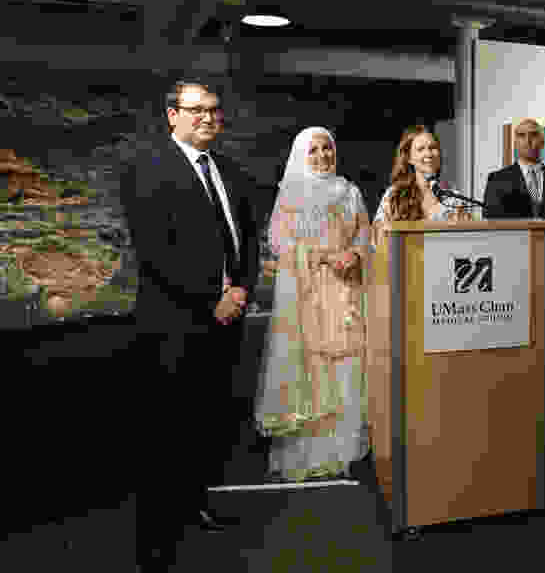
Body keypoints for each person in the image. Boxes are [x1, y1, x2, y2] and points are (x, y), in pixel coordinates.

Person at [122, 79, 260, 570]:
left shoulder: (231, 171)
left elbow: (248, 239)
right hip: (174, 327)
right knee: (166, 436)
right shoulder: (146, 169)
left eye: (214, 110)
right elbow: (156, 252)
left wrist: (241, 289)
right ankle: (155, 543)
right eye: (196, 109)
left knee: (207, 425)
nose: (207, 117)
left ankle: (193, 506)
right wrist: (212, 299)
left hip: (226, 324)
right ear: (172, 115)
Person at [255, 127, 371, 482]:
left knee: (347, 366)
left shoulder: (350, 192)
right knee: (312, 369)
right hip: (306, 296)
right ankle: (309, 454)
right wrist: (322, 256)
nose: (323, 155)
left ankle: (344, 452)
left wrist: (354, 254)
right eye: (314, 150)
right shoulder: (291, 194)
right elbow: (279, 243)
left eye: (327, 148)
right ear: (301, 156)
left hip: (346, 292)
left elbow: (365, 234)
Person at [483, 118, 545, 429]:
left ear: (542, 140)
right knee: (514, 344)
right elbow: (492, 228)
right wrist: (523, 260)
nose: (528, 141)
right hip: (513, 278)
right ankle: (518, 409)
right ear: (515, 141)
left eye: (533, 135)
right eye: (522, 136)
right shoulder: (498, 180)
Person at [372, 125, 472, 240]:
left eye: (433, 148)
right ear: (409, 158)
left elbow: (467, 240)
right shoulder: (394, 195)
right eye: (420, 149)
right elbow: (378, 239)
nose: (428, 153)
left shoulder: (453, 198)